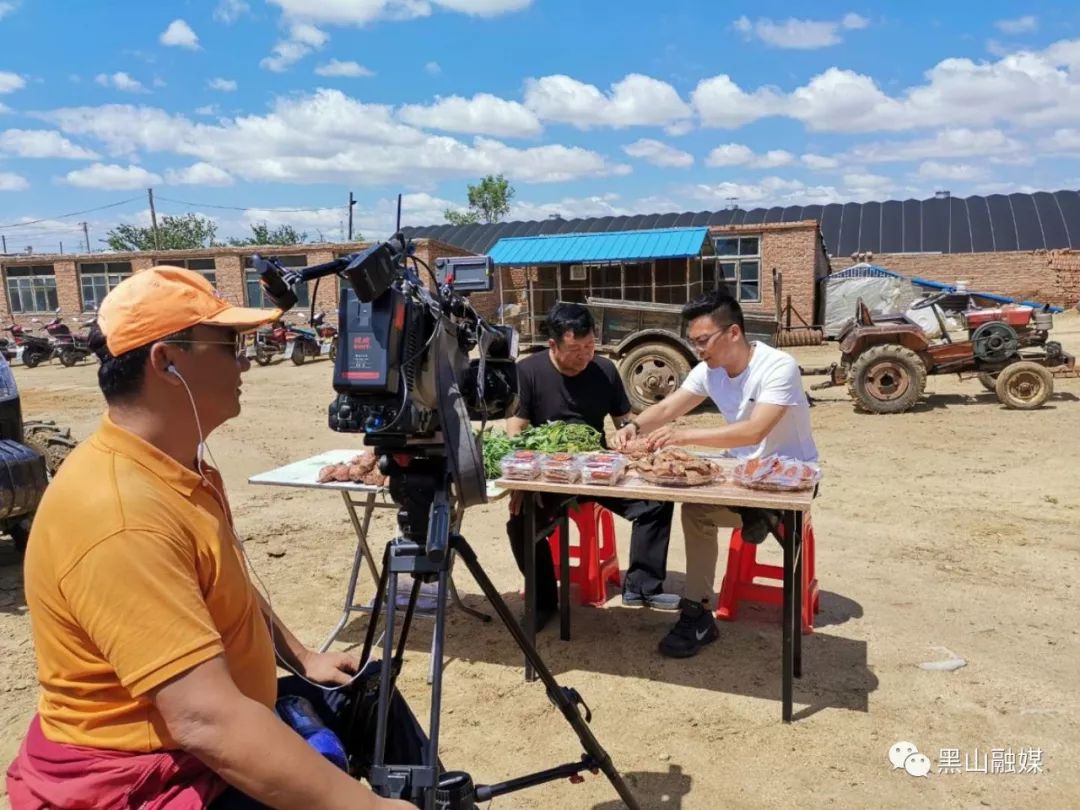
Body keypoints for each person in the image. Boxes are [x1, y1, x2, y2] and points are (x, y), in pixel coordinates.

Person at [7, 267, 412, 810]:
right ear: (166, 362)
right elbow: (205, 720)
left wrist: (301, 656)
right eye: (229, 345)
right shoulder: (121, 516)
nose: (244, 362)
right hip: (155, 772)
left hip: (207, 729)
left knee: (371, 692)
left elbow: (221, 589)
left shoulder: (171, 467)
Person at [614, 289, 818, 659]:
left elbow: (754, 431)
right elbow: (670, 407)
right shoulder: (710, 371)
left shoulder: (778, 366)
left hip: (787, 480)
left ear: (733, 332)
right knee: (695, 508)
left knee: (701, 506)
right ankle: (698, 612)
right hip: (740, 473)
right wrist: (633, 427)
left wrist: (684, 436)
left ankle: (764, 513)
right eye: (694, 341)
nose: (698, 350)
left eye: (703, 340)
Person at [507, 302, 678, 629]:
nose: (585, 355)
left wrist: (631, 439)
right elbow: (516, 429)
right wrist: (522, 479)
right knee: (520, 521)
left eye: (589, 346)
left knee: (657, 501)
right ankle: (544, 602)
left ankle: (641, 587)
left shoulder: (605, 370)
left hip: (596, 469)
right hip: (551, 473)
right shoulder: (528, 371)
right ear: (553, 344)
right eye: (575, 350)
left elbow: (624, 421)